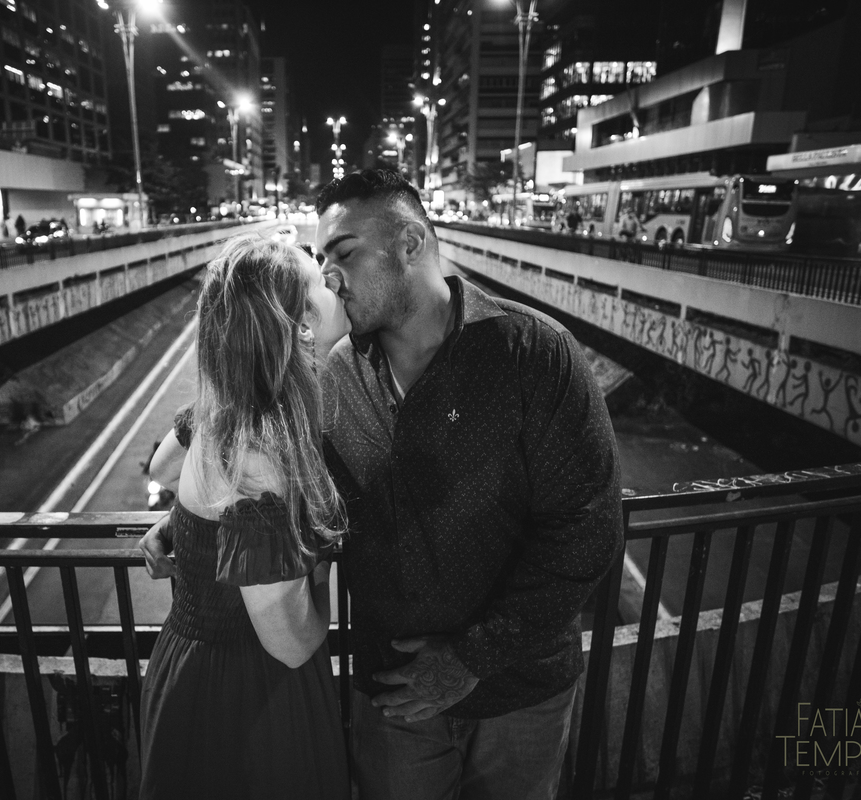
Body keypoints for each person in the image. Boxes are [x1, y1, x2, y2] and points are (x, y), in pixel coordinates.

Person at [144, 169, 623, 800]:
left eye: (343, 253)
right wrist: (193, 527)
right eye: (321, 262)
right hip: (394, 695)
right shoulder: (331, 377)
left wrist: (468, 660)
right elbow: (255, 472)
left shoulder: (532, 352)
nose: (332, 276)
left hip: (519, 689)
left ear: (412, 243)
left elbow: (588, 531)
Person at [137, 233, 351, 799]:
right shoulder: (260, 459)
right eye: (319, 279)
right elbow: (290, 642)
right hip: (245, 695)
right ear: (299, 324)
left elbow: (160, 469)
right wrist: (324, 577)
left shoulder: (223, 416)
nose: (334, 282)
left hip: (189, 663)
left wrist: (189, 524)